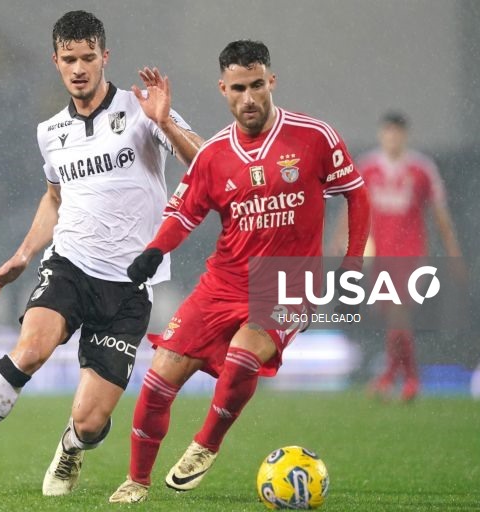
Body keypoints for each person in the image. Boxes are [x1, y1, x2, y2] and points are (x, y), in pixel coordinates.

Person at [0, 9, 203, 497]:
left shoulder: (142, 108)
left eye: (88, 57)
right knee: (30, 349)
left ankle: (72, 446)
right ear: (56, 60)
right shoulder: (50, 132)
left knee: (91, 422)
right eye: (69, 58)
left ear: (104, 57)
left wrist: (166, 124)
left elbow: (207, 164)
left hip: (130, 284)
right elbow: (54, 197)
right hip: (70, 264)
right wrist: (26, 253)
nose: (78, 68)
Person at [109, 39, 371, 503]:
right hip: (224, 281)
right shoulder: (214, 155)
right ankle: (136, 480)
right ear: (222, 90)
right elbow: (184, 213)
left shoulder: (314, 136)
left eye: (256, 85)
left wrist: (350, 264)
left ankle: (205, 445)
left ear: (271, 81)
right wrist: (154, 250)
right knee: (157, 379)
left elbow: (356, 192)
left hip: (286, 282)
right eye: (237, 89)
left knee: (243, 356)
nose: (248, 98)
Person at [347, 112, 462, 402]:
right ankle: (394, 375)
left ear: (404, 136)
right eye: (388, 132)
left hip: (411, 253)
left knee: (399, 313)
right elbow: (356, 204)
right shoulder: (368, 167)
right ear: (381, 135)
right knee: (394, 319)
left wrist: (452, 252)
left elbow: (439, 214)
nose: (392, 138)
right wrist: (343, 239)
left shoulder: (422, 169)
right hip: (381, 254)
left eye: (397, 133)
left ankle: (406, 379)